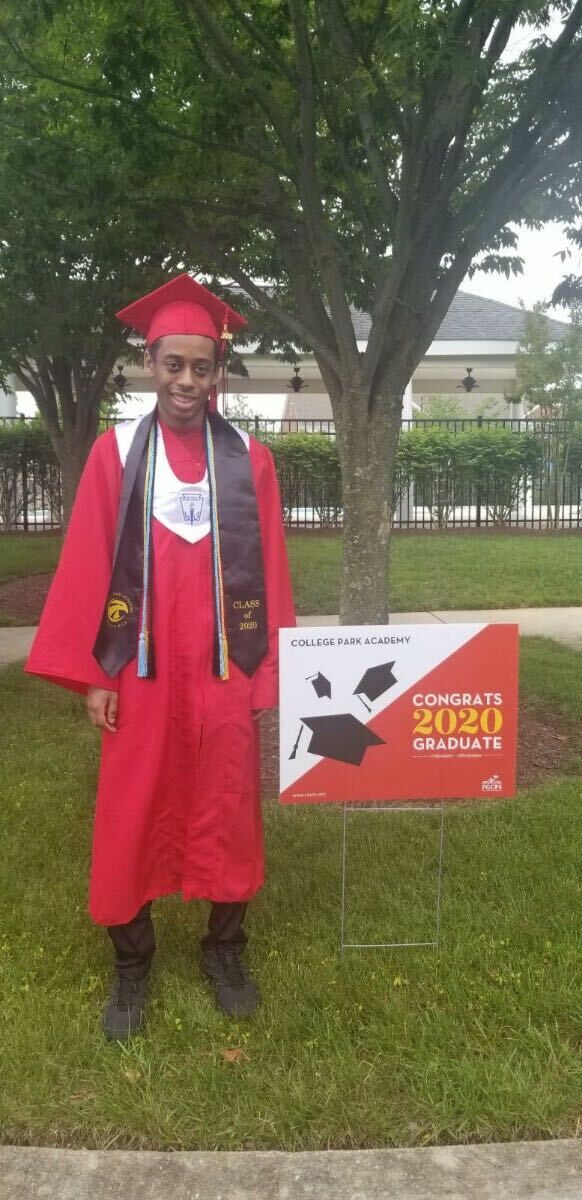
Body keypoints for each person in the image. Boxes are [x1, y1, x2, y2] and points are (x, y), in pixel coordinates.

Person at [26, 274, 295, 1040]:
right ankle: (132, 963)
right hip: (138, 670)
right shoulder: (114, 454)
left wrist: (265, 673)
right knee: (133, 805)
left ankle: (224, 950)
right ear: (149, 363)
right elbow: (87, 561)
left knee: (229, 804)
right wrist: (93, 676)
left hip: (224, 668)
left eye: (201, 367)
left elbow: (271, 568)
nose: (186, 381)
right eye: (173, 364)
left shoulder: (251, 460)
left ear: (218, 371)